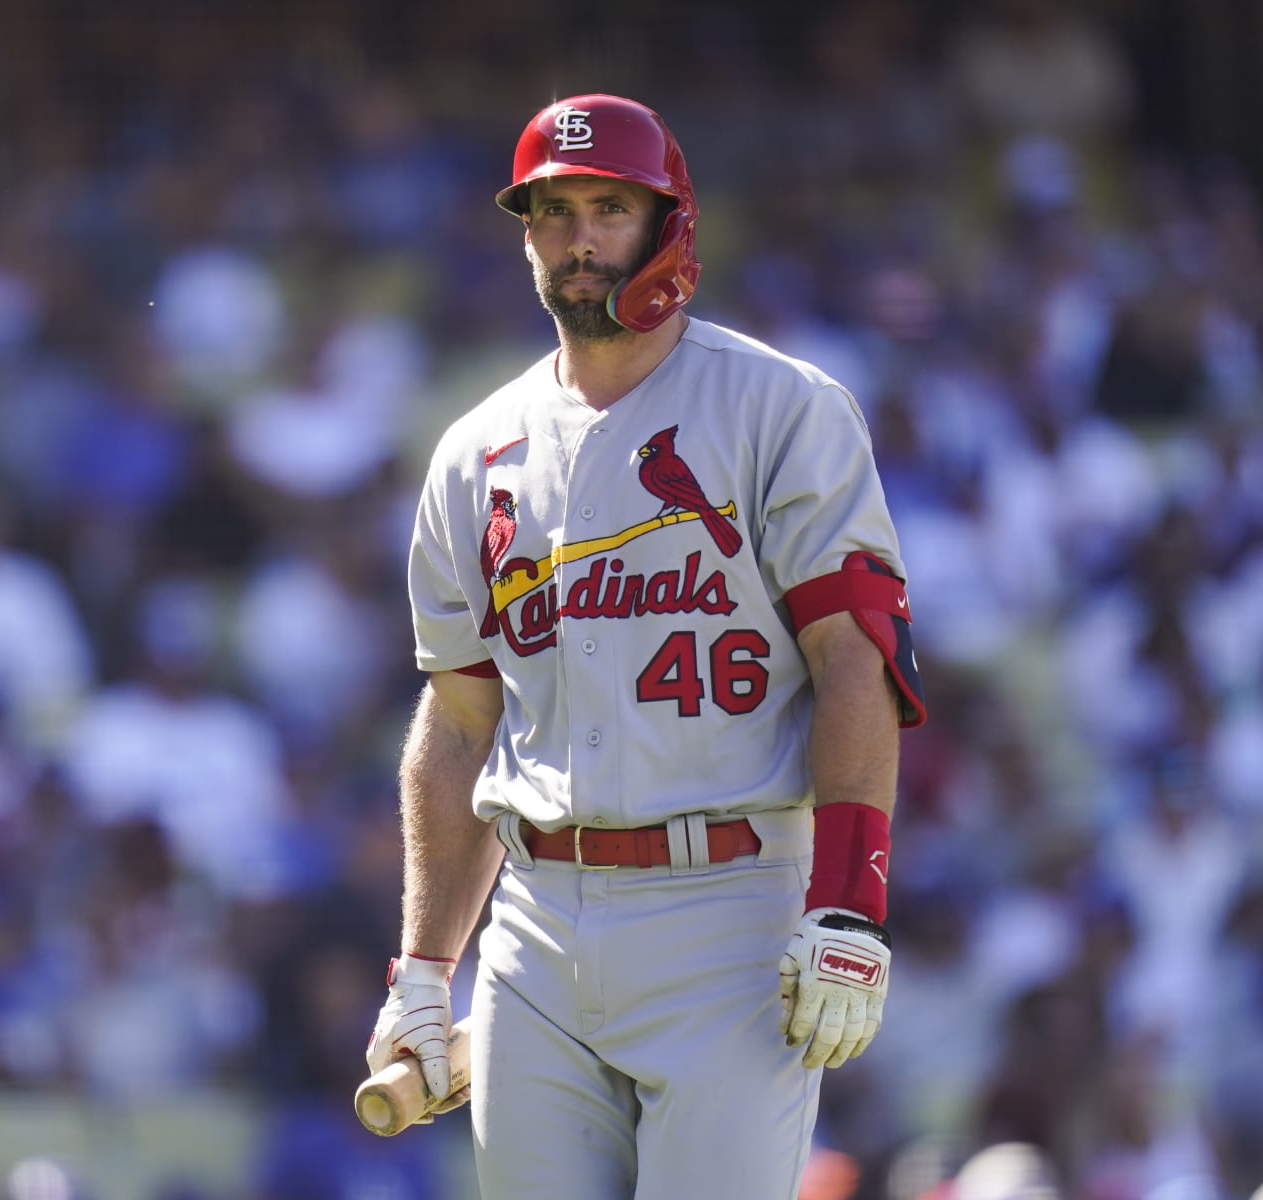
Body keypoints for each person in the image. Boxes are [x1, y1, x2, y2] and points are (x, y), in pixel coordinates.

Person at [365, 94, 926, 1198]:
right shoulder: (475, 451)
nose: (580, 239)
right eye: (554, 210)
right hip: (537, 918)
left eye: (609, 208)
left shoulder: (781, 407)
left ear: (670, 222)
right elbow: (461, 723)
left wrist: (850, 903)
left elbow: (854, 662)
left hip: (728, 910)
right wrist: (425, 971)